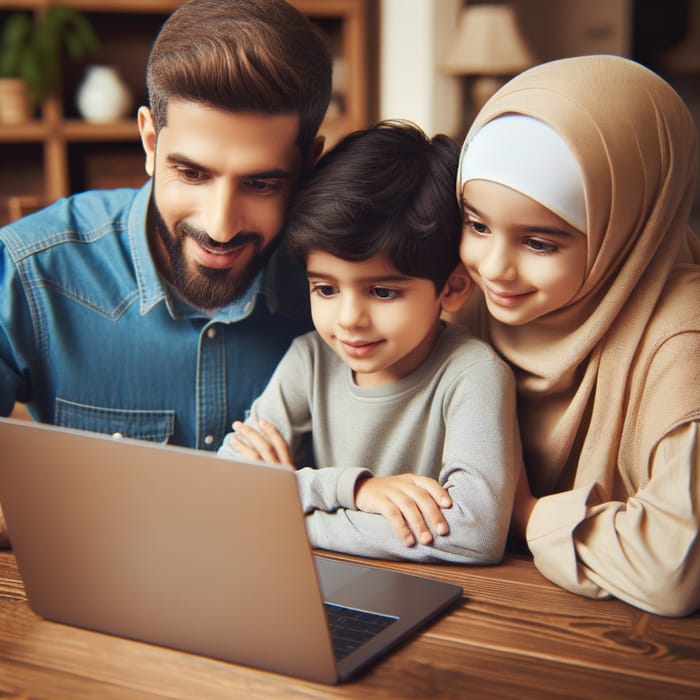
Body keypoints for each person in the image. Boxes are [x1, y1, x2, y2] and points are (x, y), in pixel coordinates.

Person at [0, 0, 332, 545]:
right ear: (151, 142)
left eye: (262, 184)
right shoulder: (32, 269)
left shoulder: (345, 287)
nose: (220, 226)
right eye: (192, 173)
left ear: (308, 166)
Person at [456, 54, 700, 615]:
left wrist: (520, 512)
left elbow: (673, 570)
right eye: (476, 224)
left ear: (627, 232)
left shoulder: (681, 335)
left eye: (540, 243)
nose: (494, 267)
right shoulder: (471, 302)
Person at [218, 120, 520, 562]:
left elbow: (473, 532)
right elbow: (226, 485)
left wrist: (285, 511)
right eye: (325, 289)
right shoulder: (311, 359)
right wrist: (354, 489)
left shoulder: (472, 375)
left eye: (382, 292)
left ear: (452, 288)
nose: (349, 320)